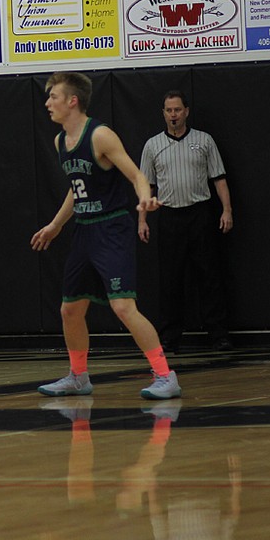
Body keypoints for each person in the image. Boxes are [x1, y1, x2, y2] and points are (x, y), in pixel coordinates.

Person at [31, 72, 180, 401]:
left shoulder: (100, 136)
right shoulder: (60, 142)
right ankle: (78, 377)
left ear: (73, 100)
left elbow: (137, 175)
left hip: (112, 227)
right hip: (84, 229)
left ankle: (165, 375)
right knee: (69, 309)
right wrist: (56, 225)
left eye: (53, 97)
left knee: (123, 306)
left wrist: (144, 197)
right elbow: (76, 188)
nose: (47, 103)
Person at [138, 90, 234, 352]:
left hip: (200, 214)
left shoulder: (204, 141)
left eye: (177, 110)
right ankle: (169, 337)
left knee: (210, 276)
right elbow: (146, 186)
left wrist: (227, 210)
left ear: (186, 111)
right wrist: (142, 220)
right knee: (170, 280)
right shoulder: (152, 146)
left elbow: (219, 178)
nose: (173, 115)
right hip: (169, 217)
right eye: (169, 110)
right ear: (163, 113)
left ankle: (218, 334)